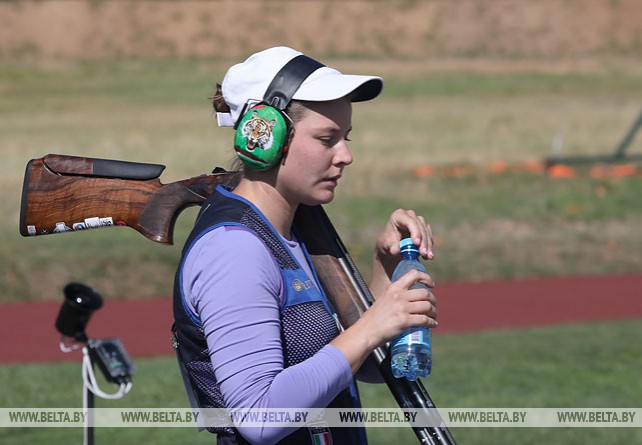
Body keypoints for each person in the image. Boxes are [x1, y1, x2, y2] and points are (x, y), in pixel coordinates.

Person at [172, 46, 438, 445]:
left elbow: (358, 367)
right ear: (264, 136)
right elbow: (259, 417)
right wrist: (370, 326)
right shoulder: (235, 250)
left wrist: (384, 270)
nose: (346, 155)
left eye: (345, 138)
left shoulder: (295, 233)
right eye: (327, 138)